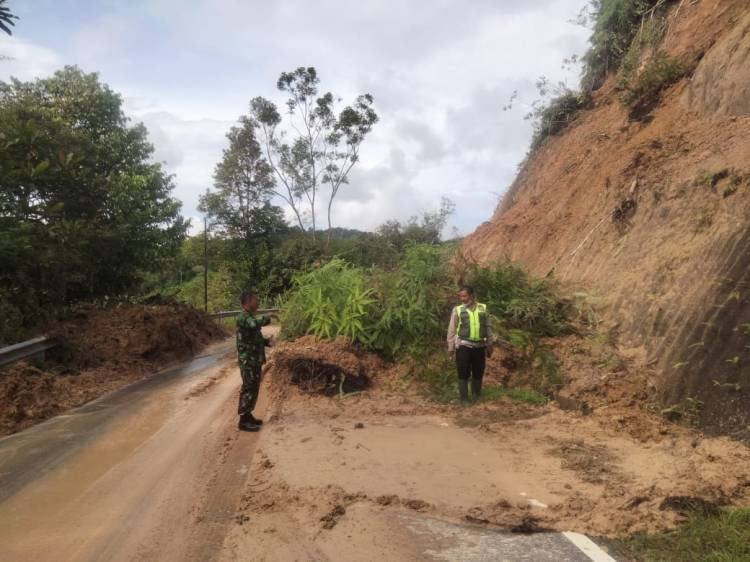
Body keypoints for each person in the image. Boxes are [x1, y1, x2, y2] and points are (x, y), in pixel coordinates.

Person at [446, 285, 493, 403]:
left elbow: (488, 327)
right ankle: (464, 399)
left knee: (478, 371)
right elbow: (451, 329)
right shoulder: (457, 310)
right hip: (463, 345)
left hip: (479, 346)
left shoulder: (483, 308)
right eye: (460, 296)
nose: (462, 298)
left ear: (471, 295)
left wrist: (490, 344)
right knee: (463, 371)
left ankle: (476, 396)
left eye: (464, 296)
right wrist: (451, 347)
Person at [236, 290, 274, 432]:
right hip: (248, 361)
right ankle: (243, 421)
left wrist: (266, 342)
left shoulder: (250, 316)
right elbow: (253, 325)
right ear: (248, 301)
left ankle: (248, 415)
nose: (258, 302)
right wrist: (267, 317)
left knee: (254, 388)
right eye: (256, 299)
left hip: (254, 360)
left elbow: (254, 338)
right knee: (248, 388)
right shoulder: (243, 317)